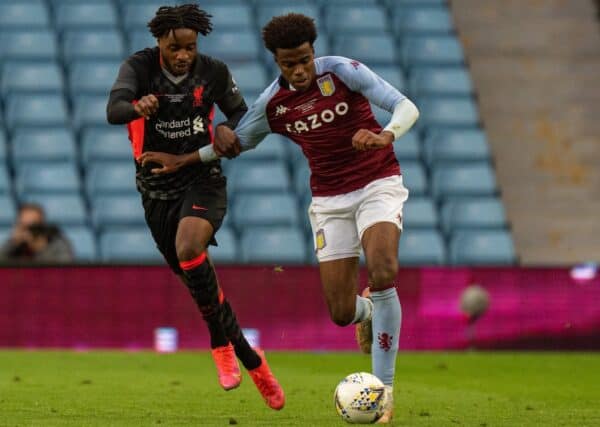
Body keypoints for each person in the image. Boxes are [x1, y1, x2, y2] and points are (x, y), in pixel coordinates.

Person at [202, 13, 420, 423]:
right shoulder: (273, 104)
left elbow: (406, 107)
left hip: (378, 181)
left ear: (313, 52)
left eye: (304, 59)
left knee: (383, 267)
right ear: (277, 61)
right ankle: (369, 312)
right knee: (340, 312)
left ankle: (383, 391)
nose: (299, 70)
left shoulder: (342, 71)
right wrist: (204, 148)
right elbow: (234, 143)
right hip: (329, 200)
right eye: (289, 63)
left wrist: (385, 134)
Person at [105, 4, 284, 410]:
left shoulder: (213, 71)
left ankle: (224, 348)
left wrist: (225, 128)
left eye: (190, 47)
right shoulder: (138, 68)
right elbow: (113, 111)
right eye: (174, 48)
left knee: (190, 248)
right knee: (198, 285)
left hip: (203, 178)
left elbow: (243, 116)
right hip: (155, 190)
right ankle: (247, 356)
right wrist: (137, 107)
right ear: (160, 43)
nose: (183, 55)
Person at [0, 203, 74, 263]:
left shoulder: (58, 243)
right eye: (23, 226)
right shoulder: (13, 246)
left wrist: (40, 249)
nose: (27, 232)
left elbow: (64, 270)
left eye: (32, 226)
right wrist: (12, 244)